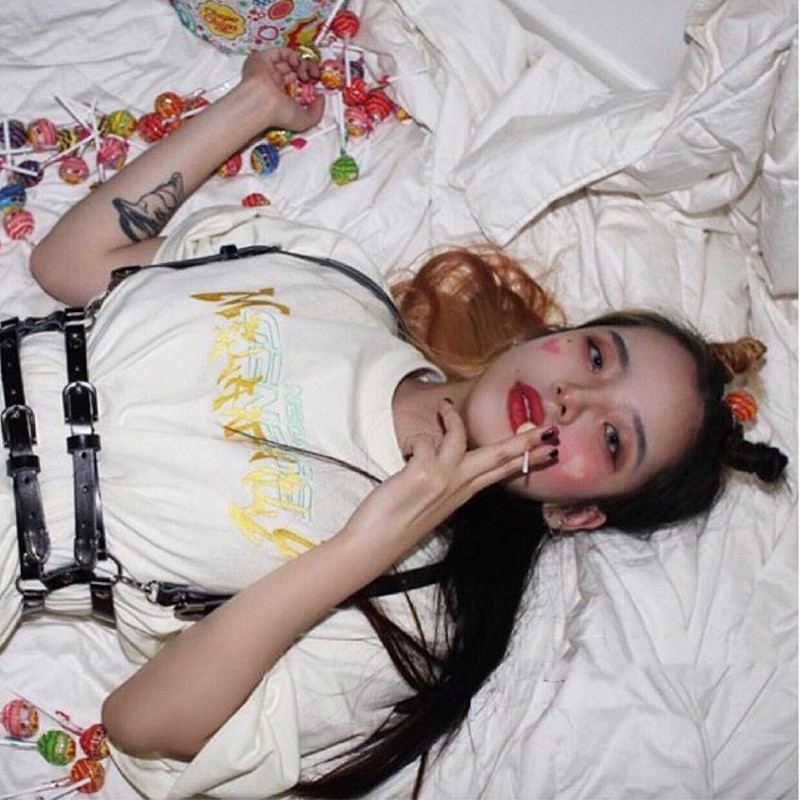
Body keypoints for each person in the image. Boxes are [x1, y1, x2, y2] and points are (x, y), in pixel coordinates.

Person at [23, 49, 787, 798]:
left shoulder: (413, 608)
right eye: (595, 356)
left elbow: (140, 722)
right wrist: (255, 105)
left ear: (578, 513)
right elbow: (69, 263)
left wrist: (364, 548)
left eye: (613, 439)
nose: (572, 400)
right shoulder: (335, 278)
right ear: (552, 335)